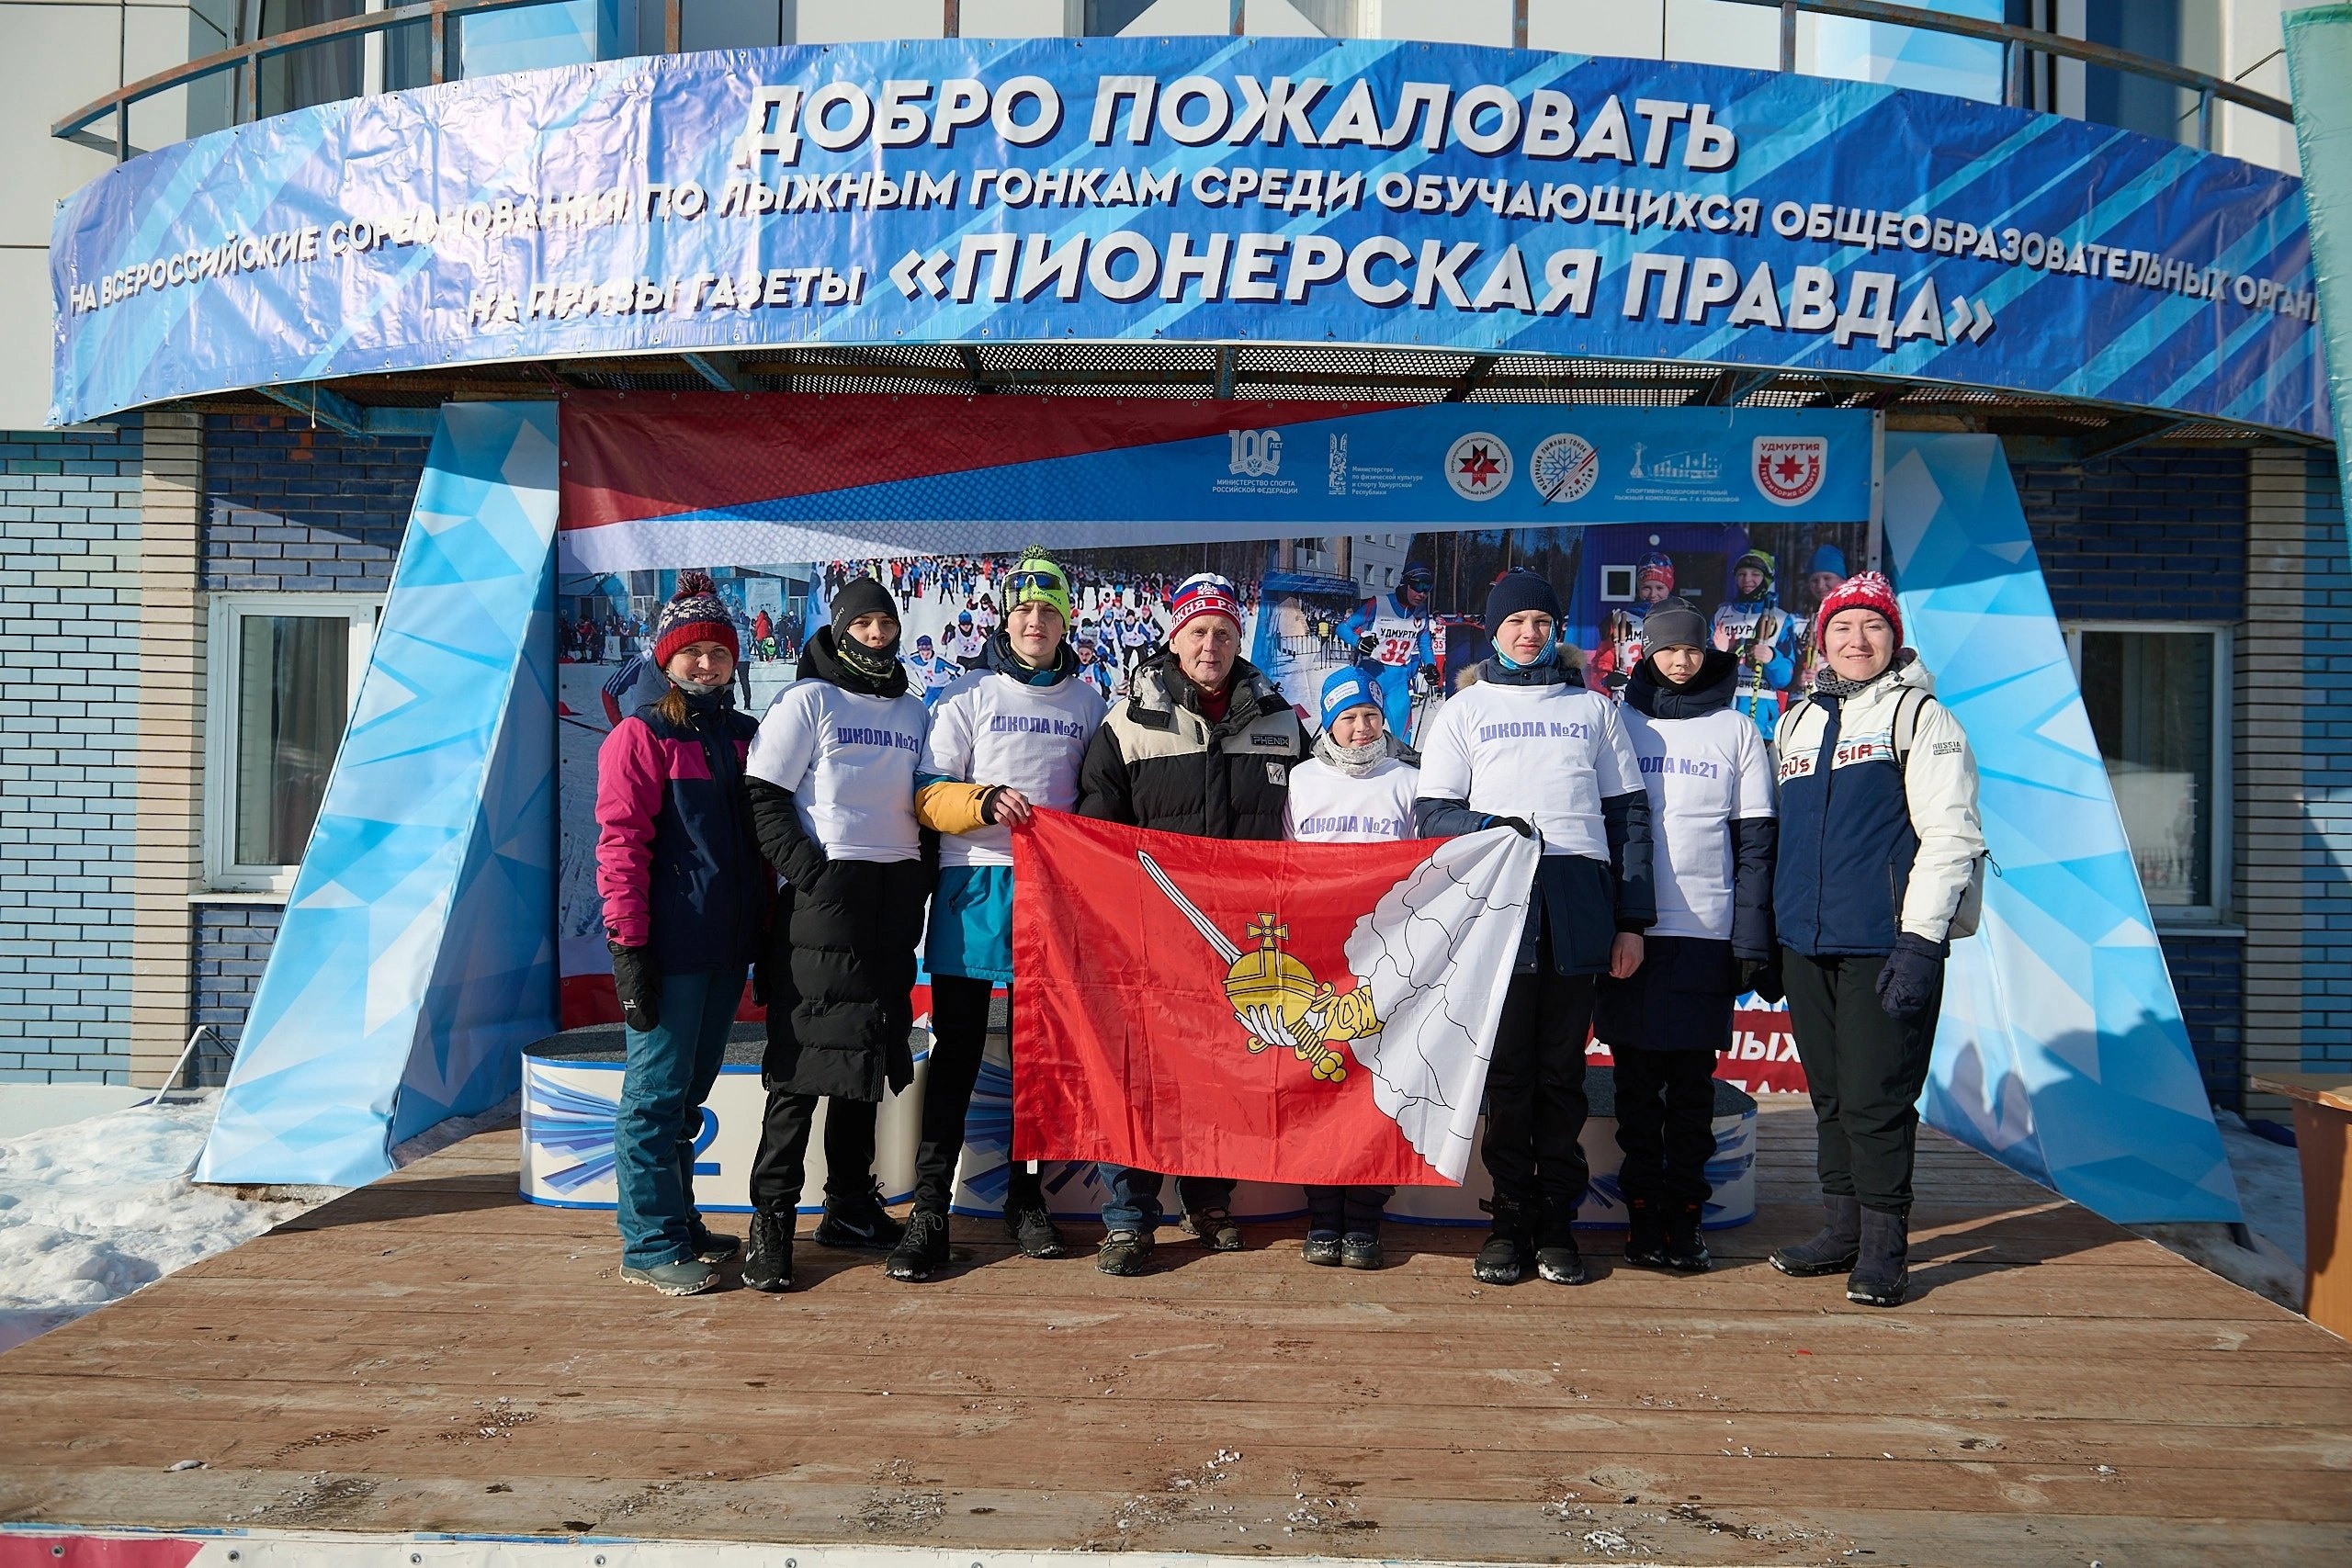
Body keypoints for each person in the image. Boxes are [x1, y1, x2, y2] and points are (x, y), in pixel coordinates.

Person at [1415, 568, 1654, 1287]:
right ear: (1492, 630)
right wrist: (1493, 825)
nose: (1529, 632)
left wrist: (1632, 922)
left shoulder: (1594, 709)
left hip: (1578, 902)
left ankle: (1557, 1222)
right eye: (1516, 621)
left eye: (1542, 622)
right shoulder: (1463, 710)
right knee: (1508, 1074)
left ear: (1556, 631)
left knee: (1563, 1074)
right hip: (1498, 906)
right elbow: (1431, 814)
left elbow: (1628, 819)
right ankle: (1507, 1220)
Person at [1075, 571, 1308, 1276]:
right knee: (1141, 1074)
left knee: (1224, 1070)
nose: (1211, 644)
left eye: (1226, 632)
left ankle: (1209, 1199)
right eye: (1199, 631)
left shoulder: (1280, 722)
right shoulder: (1127, 723)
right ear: (1175, 637)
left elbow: (1316, 819)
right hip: (1154, 934)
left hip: (1243, 937)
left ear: (1241, 640)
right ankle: (1128, 1218)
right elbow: (1095, 828)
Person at [887, 549, 1106, 1282]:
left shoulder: (1086, 699)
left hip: (1053, 892)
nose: (1035, 620)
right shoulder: (967, 692)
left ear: (1066, 617)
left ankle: (1024, 1196)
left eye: (1048, 609)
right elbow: (927, 793)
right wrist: (981, 801)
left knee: (1037, 1052)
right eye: (1023, 609)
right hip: (975, 884)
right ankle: (928, 1208)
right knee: (955, 1052)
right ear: (1004, 617)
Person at [1768, 572, 1984, 1308]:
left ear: (1895, 639)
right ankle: (1842, 1230)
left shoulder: (1923, 717)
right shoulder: (1795, 721)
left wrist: (1921, 941)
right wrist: (1774, 931)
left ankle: (1886, 1249)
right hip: (1807, 942)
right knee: (1829, 1095)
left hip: (1884, 944)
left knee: (1876, 1098)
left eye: (1873, 628)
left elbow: (1952, 837)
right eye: (1842, 628)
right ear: (1821, 639)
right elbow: (1786, 838)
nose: (1857, 642)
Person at [739, 576, 931, 1292]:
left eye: (886, 623)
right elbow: (764, 796)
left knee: (866, 1059)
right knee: (801, 1066)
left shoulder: (915, 709)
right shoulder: (807, 699)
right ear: (841, 628)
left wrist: (919, 877)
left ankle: (849, 1203)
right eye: (864, 624)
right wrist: (811, 875)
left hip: (891, 901)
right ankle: (772, 1217)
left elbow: (926, 796)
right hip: (824, 901)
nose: (876, 634)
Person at [593, 573, 769, 1296]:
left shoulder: (743, 737)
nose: (705, 664)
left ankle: (681, 1220)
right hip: (668, 950)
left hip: (725, 950)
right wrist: (630, 951)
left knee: (688, 1095)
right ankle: (649, 1240)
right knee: (655, 1096)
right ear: (666, 660)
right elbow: (620, 847)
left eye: (717, 653)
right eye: (691, 652)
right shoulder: (643, 736)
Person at [1595, 602, 1777, 1275]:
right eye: (1668, 650)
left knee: (1692, 1089)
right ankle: (1643, 1219)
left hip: (1705, 933)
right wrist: (1615, 920)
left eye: (1692, 650)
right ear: (1646, 653)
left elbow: (1755, 843)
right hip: (1632, 932)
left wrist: (1749, 937)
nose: (1680, 661)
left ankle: (1686, 1222)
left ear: (1708, 653)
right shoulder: (1619, 720)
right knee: (1638, 1088)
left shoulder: (1738, 730)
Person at [1283, 667, 1419, 1270]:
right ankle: (1323, 1214)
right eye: (1348, 717)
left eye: (1370, 715)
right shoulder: (1301, 782)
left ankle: (1364, 1217)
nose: (1362, 728)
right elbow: (1282, 866)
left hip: (1386, 959)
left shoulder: (1409, 781)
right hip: (1317, 956)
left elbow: (1428, 866)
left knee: (1374, 1086)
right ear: (1328, 723)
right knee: (1321, 1081)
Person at [1338, 560, 1438, 740]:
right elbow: (1343, 628)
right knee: (1363, 735)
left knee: (1403, 740)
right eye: (1417, 586)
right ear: (1405, 583)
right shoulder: (1379, 603)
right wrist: (1358, 641)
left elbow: (1424, 645)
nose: (1422, 593)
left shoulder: (1421, 612)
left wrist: (1430, 666)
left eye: (1427, 588)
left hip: (1399, 681)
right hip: (1370, 675)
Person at [1708, 548, 1798, 741]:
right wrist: (1721, 652)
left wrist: (1771, 658)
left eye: (1755, 574)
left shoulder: (1781, 618)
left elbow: (1785, 679)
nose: (1747, 579)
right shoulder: (1722, 614)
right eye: (1742, 574)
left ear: (1767, 578)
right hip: (1725, 709)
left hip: (1762, 716)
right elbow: (1705, 672)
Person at [1589, 551, 1674, 693]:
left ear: (1669, 588)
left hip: (1662, 700)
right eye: (1646, 587)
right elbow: (1601, 663)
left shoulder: (1678, 620)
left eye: (1660, 588)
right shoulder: (1621, 621)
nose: (1653, 594)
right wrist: (1606, 679)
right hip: (1627, 702)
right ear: (1639, 588)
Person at [1793, 544, 1849, 691]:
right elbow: (1789, 662)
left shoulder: (1852, 617)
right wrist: (1796, 678)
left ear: (1842, 580)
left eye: (1827, 578)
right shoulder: (1798, 619)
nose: (1820, 586)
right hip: (1803, 696)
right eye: (1814, 580)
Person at [903, 633, 961, 708]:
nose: (925, 655)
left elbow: (958, 669)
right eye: (922, 653)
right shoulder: (915, 659)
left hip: (945, 687)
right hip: (931, 689)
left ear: (931, 649)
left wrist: (956, 678)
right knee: (923, 708)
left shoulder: (939, 660)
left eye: (928, 652)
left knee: (951, 708)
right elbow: (902, 659)